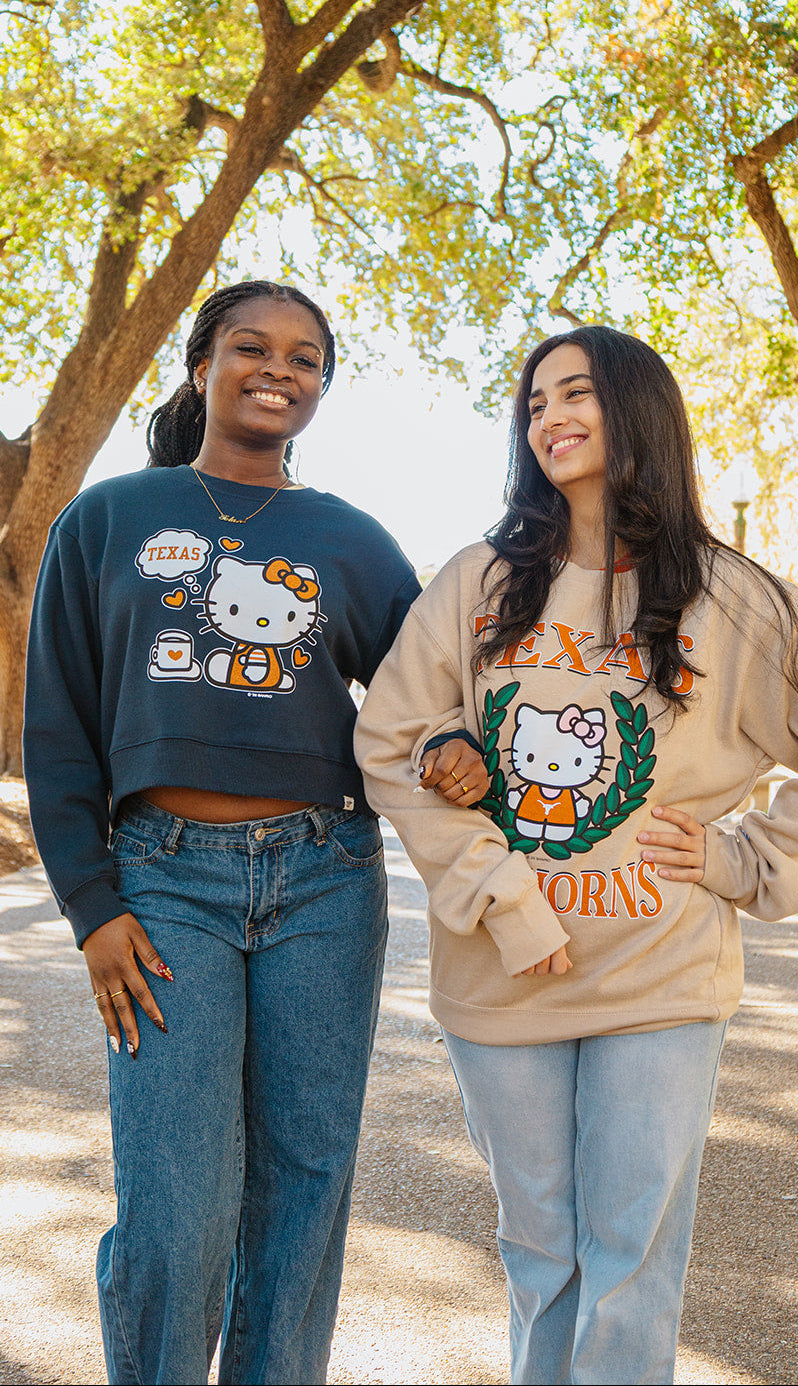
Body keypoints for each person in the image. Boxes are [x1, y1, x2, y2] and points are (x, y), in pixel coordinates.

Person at [354, 325, 798, 1385]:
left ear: (636, 411)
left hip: (661, 971)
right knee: (541, 1253)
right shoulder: (479, 582)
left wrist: (738, 856)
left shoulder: (730, 596)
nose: (549, 418)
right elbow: (387, 738)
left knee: (630, 1259)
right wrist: (492, 881)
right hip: (500, 972)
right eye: (533, 402)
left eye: (576, 395)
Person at [22, 279, 486, 1386]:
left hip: (325, 880)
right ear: (200, 366)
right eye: (252, 348)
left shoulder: (350, 538)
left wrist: (451, 743)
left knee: (302, 1189)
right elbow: (58, 727)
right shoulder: (107, 519)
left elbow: (429, 691)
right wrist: (93, 907)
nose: (279, 370)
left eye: (306, 358)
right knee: (176, 1206)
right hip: (163, 883)